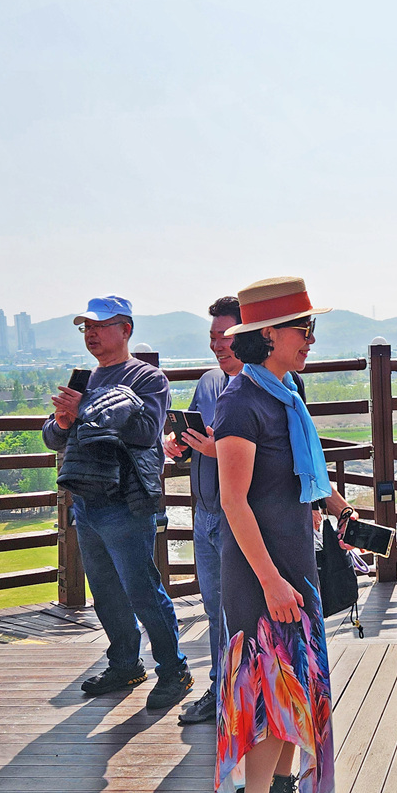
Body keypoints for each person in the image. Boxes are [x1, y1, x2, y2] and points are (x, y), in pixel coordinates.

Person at [214, 275, 357, 793]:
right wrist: (271, 581)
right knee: (270, 697)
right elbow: (233, 501)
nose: (311, 339)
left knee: (294, 691)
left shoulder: (286, 391)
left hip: (293, 566)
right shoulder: (240, 402)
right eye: (304, 328)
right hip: (261, 574)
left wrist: (339, 509)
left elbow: (302, 475)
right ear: (268, 333)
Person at [42, 295, 192, 711]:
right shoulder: (84, 379)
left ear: (125, 330)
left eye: (99, 326)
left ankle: (174, 670)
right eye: (86, 327)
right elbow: (52, 437)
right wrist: (63, 421)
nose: (90, 334)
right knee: (105, 591)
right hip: (86, 501)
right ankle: (125, 664)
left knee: (142, 589)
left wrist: (84, 410)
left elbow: (145, 432)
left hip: (127, 501)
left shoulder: (147, 378)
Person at [165, 295, 245, 727]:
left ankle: (244, 693)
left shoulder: (264, 384)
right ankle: (220, 689)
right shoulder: (209, 382)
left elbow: (273, 457)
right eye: (212, 337)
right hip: (205, 513)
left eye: (225, 336)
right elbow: (198, 441)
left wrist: (219, 451)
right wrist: (179, 446)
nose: (217, 345)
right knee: (214, 609)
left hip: (240, 516)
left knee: (239, 609)